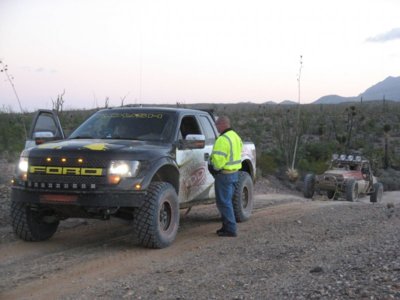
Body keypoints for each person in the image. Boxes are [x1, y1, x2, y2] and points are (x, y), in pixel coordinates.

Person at [209, 116, 243, 237]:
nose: (216, 128)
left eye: (217, 125)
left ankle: (230, 229)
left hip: (224, 175)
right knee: (227, 202)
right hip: (234, 174)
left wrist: (212, 167)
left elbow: (218, 162)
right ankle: (225, 227)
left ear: (223, 124)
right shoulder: (235, 136)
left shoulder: (222, 140)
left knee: (224, 203)